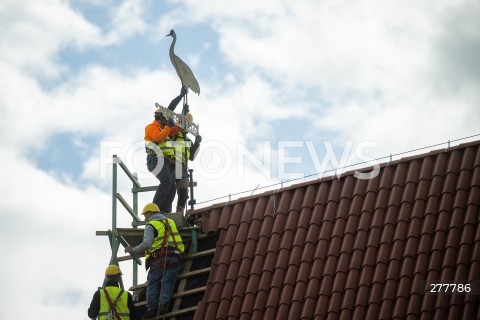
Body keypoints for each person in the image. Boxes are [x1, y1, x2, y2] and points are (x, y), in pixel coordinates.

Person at [125, 203, 185, 318]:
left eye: (145, 215)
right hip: (175, 256)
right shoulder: (170, 222)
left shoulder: (150, 225)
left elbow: (147, 244)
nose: (145, 218)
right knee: (167, 281)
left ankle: (152, 308)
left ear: (149, 213)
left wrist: (133, 249)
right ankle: (163, 305)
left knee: (153, 283)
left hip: (159, 258)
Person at [144, 88, 186, 213]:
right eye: (165, 118)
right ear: (159, 118)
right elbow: (159, 137)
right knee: (167, 181)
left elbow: (175, 129)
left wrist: (181, 120)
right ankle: (154, 210)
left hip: (163, 161)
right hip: (154, 159)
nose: (166, 121)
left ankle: (165, 212)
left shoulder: (164, 128)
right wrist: (168, 126)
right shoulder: (151, 127)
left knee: (172, 186)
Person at [171, 113, 202, 213]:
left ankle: (179, 212)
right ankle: (165, 211)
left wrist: (197, 143)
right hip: (172, 164)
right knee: (170, 190)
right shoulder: (173, 135)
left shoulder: (188, 140)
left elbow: (191, 157)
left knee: (183, 192)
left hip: (182, 167)